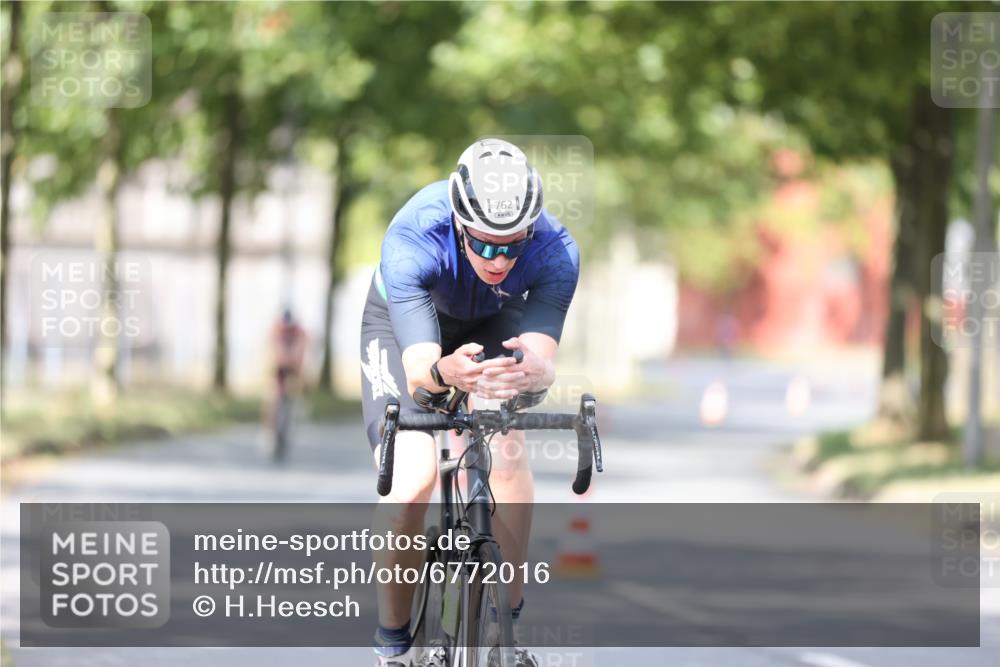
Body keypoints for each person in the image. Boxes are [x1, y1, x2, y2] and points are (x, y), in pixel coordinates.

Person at [360, 138, 580, 666]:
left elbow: (539, 358)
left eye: (513, 244)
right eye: (484, 244)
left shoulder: (556, 250)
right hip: (406, 328)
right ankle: (394, 646)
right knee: (413, 480)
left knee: (505, 453)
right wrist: (443, 373)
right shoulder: (414, 234)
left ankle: (507, 628)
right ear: (460, 224)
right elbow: (421, 376)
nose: (500, 258)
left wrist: (535, 372)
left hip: (494, 319)